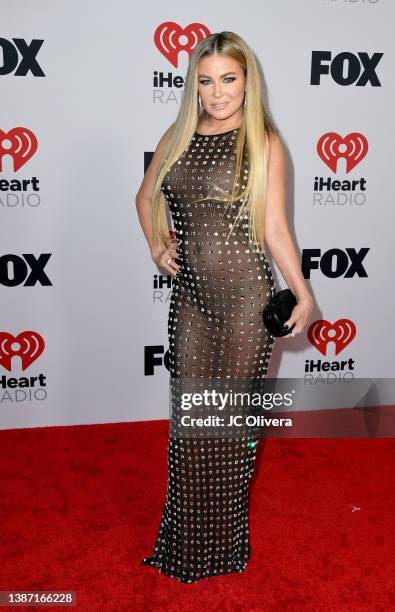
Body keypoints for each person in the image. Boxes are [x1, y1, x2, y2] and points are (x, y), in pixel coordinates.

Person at [135, 31, 314, 583]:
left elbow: (275, 228)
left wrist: (302, 290)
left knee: (231, 428)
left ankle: (224, 547)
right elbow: (144, 197)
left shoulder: (263, 141)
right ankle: (186, 546)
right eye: (206, 81)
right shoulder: (179, 134)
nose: (217, 93)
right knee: (190, 423)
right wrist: (157, 243)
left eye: (228, 79)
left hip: (244, 304)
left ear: (246, 80)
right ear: (195, 84)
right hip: (190, 302)